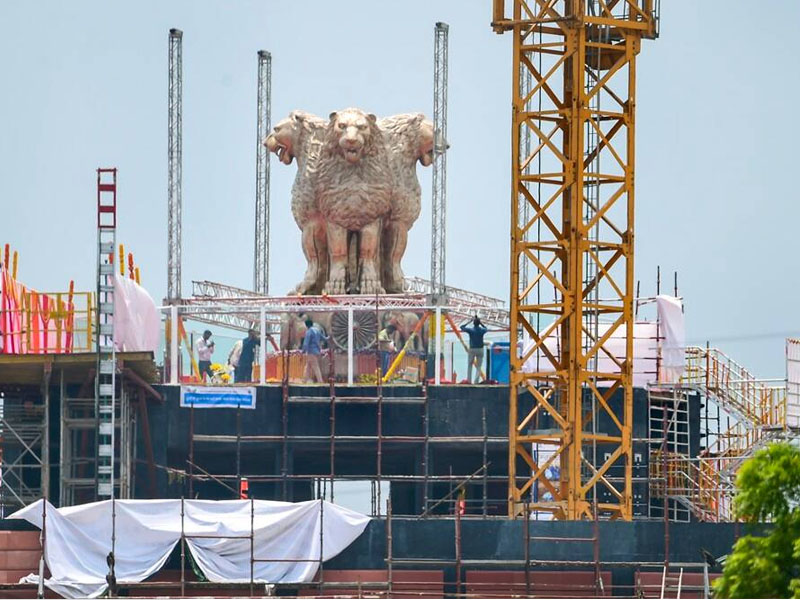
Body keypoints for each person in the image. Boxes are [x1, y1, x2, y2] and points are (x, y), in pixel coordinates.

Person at [460, 316, 487, 384]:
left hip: (472, 349)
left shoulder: (471, 330)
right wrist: (481, 323)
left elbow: (462, 327)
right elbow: (486, 328)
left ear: (473, 323)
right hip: (480, 349)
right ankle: (476, 381)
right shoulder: (482, 331)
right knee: (479, 366)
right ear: (478, 323)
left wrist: (469, 321)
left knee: (470, 365)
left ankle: (469, 380)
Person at [301, 318, 328, 383]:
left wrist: (303, 351)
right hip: (317, 351)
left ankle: (320, 381)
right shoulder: (317, 330)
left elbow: (306, 343)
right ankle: (304, 380)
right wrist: (329, 337)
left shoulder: (309, 332)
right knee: (308, 366)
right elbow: (324, 338)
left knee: (315, 367)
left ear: (306, 325)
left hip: (311, 352)